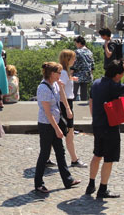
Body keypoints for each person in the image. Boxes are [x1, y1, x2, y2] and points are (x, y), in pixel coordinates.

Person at [86, 60, 124, 198]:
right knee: (108, 159)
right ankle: (102, 189)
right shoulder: (114, 86)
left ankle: (91, 185)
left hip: (97, 124)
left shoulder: (96, 83)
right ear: (117, 75)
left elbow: (91, 102)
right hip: (110, 126)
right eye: (121, 74)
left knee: (97, 155)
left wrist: (95, 118)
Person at [34, 62, 81, 193]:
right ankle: (38, 183)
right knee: (44, 154)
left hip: (55, 121)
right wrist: (57, 129)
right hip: (47, 124)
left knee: (60, 152)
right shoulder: (43, 88)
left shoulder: (54, 84)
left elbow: (60, 98)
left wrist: (61, 91)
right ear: (51, 73)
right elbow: (47, 112)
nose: (60, 75)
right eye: (58, 72)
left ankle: (68, 179)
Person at [59, 49, 87, 168]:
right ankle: (74, 159)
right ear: (68, 59)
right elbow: (61, 90)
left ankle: (46, 157)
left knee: (57, 132)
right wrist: (67, 108)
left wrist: (71, 79)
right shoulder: (64, 73)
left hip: (64, 103)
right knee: (69, 132)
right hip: (66, 103)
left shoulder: (63, 72)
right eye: (73, 58)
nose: (75, 60)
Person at [72, 36, 94, 101]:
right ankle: (83, 106)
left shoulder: (77, 52)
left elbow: (74, 64)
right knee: (84, 91)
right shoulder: (89, 52)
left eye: (76, 43)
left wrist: (70, 73)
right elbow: (92, 64)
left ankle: (72, 105)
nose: (75, 45)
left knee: (74, 91)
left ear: (79, 43)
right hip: (87, 74)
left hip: (78, 74)